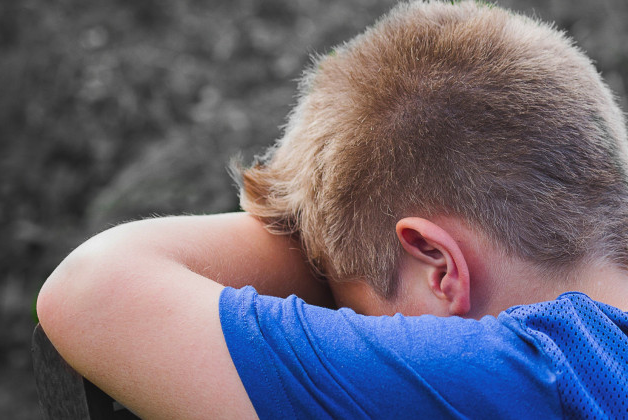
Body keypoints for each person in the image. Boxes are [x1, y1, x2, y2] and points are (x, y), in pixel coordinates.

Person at [37, 1, 628, 418]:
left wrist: (319, 250)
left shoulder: (531, 374)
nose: (362, 336)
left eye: (360, 319)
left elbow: (92, 289)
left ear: (440, 265)